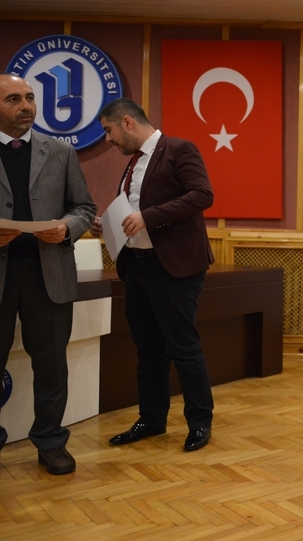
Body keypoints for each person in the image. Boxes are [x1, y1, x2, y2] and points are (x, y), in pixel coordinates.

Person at [91, 98, 216, 453]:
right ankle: (151, 419)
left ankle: (199, 422)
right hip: (138, 266)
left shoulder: (178, 149)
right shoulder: (133, 162)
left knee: (183, 347)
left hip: (174, 266)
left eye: (109, 131)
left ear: (127, 122)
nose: (108, 140)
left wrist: (148, 217)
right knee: (148, 349)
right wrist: (108, 225)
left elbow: (202, 195)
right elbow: (134, 212)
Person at [0, 73, 96, 474]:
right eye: (13, 99)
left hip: (48, 275)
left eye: (29, 97)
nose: (26, 106)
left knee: (52, 366)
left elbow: (84, 208)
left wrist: (67, 229)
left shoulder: (60, 151)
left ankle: (51, 442)